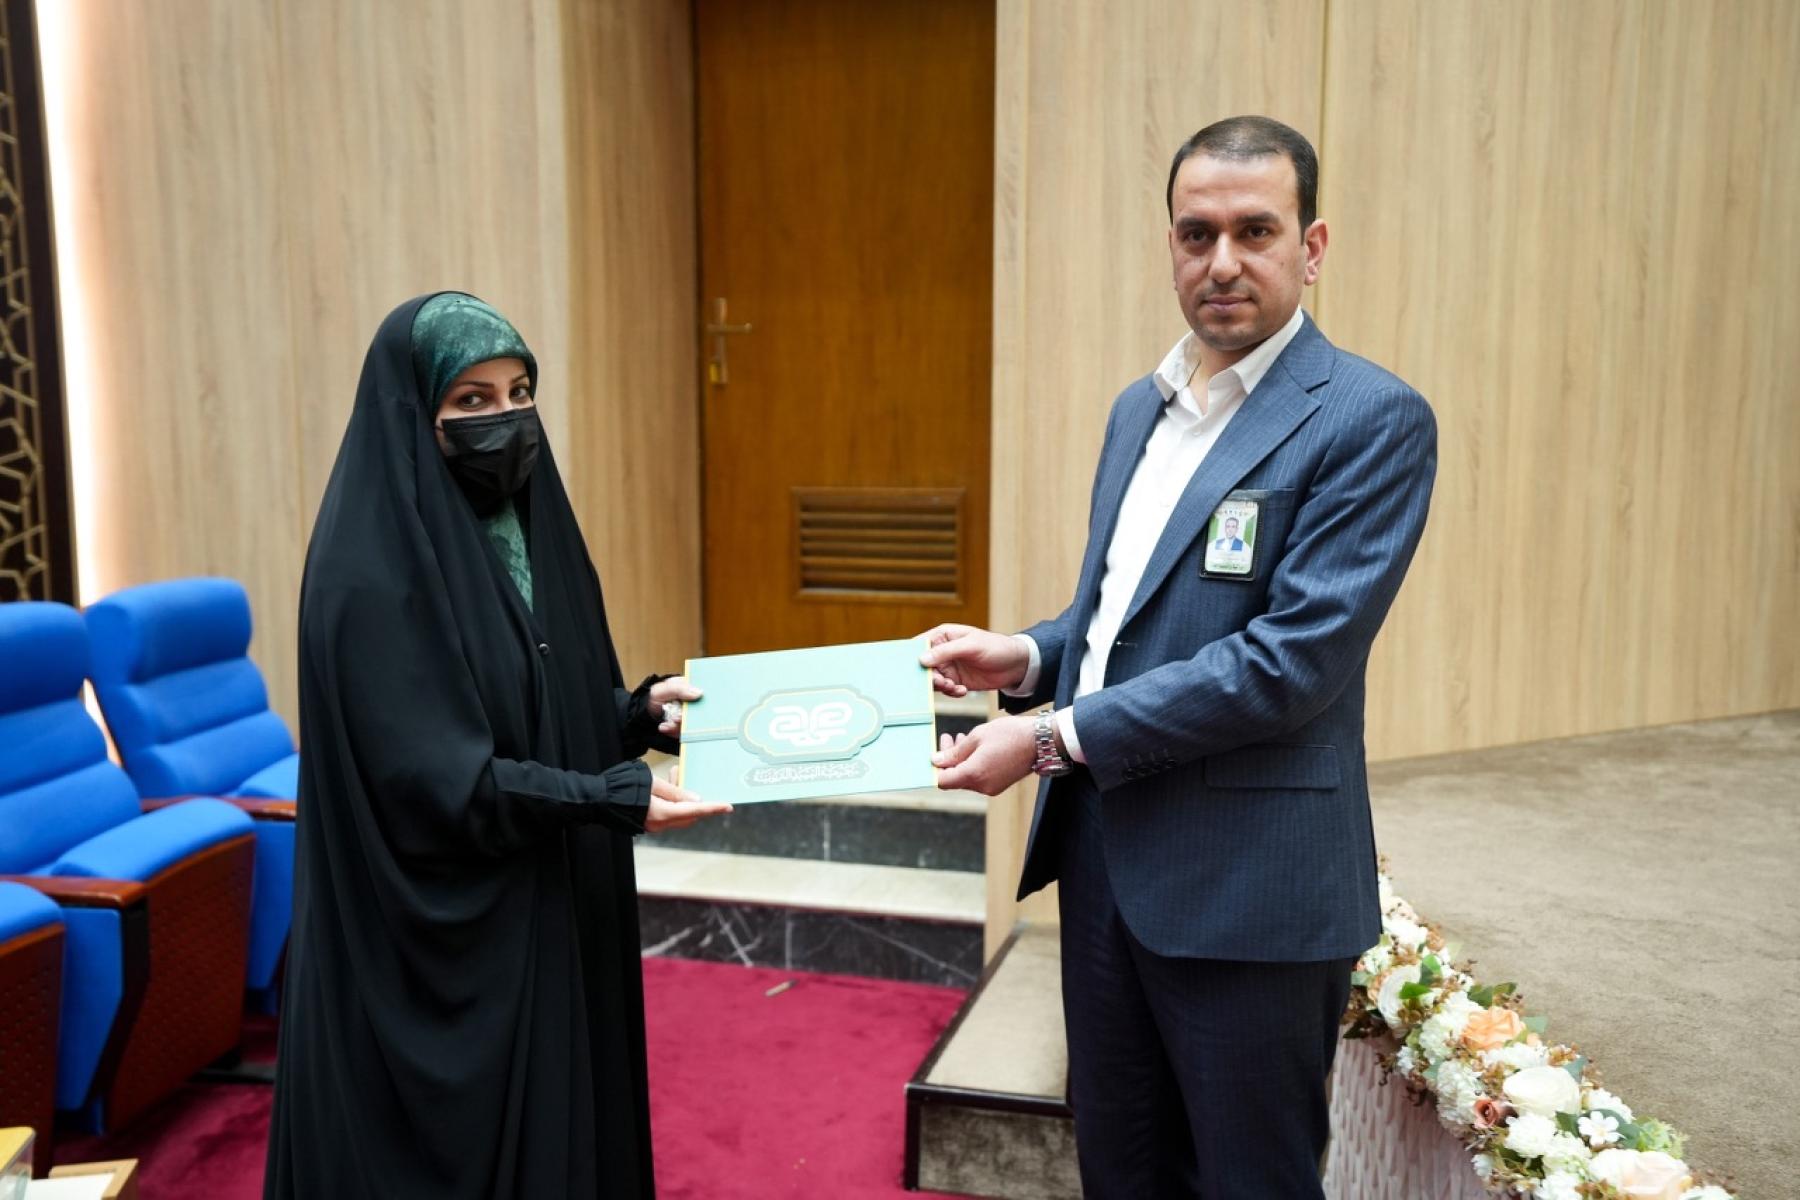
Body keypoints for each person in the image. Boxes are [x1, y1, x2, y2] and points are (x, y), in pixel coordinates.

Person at [921, 116, 1436, 1198]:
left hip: (1252, 886)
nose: (1224, 262)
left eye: (1257, 231)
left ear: (1313, 246)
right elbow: (1124, 615)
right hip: (1108, 864)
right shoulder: (1140, 409)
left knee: (1247, 1180)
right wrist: (1026, 655)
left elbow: (1288, 665)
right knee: (1121, 1167)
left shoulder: (1369, 418)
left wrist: (1050, 738)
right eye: (1198, 234)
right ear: (1170, 246)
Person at [266, 293, 729, 1200]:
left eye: (520, 393)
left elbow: (526, 700)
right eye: (471, 401)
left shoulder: (524, 529)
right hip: (438, 947)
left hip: (544, 896)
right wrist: (606, 796)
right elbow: (437, 782)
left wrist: (633, 714)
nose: (506, 420)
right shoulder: (367, 573)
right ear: (413, 412)